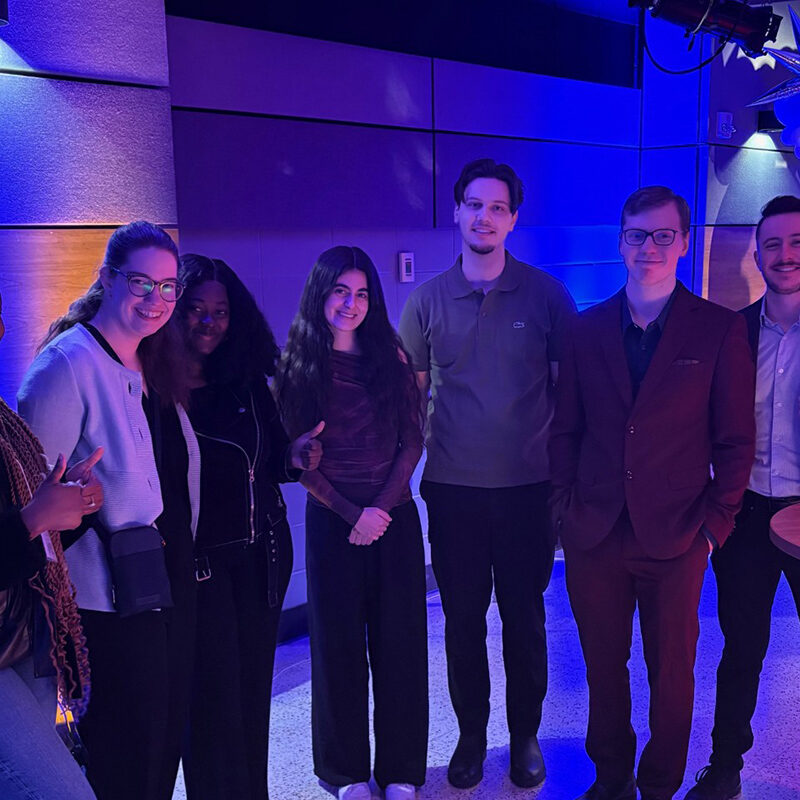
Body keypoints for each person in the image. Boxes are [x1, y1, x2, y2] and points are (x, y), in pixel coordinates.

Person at [549, 185, 755, 800]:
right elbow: (565, 430)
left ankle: (660, 785)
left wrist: (715, 527)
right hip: (596, 532)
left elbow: (735, 440)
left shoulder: (717, 330)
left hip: (679, 534)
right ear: (620, 243)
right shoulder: (585, 330)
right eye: (637, 235)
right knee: (603, 669)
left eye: (664, 235)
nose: (649, 247)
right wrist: (563, 511)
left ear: (684, 243)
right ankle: (611, 779)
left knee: (672, 676)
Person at [397, 158, 575, 790]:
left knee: (525, 618)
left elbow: (571, 396)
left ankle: (524, 735)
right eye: (474, 204)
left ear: (513, 218)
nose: (484, 217)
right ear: (456, 211)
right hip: (453, 492)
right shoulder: (425, 301)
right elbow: (408, 403)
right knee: (463, 620)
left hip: (528, 491)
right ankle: (472, 737)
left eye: (498, 207)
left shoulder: (548, 296)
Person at [17, 221, 201, 800]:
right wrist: (70, 502)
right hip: (99, 605)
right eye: (141, 283)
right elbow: (31, 505)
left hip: (149, 588)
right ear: (106, 279)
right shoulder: (65, 366)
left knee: (159, 750)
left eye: (169, 287)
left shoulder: (144, 362)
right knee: (126, 760)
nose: (157, 300)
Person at [275, 245, 427, 800]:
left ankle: (402, 772)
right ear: (321, 294)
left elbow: (413, 440)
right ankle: (343, 774)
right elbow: (298, 461)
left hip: (394, 521)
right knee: (336, 650)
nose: (351, 303)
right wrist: (351, 514)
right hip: (332, 524)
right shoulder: (296, 365)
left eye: (362, 293)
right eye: (341, 290)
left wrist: (380, 511)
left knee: (402, 646)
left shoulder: (391, 355)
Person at [176, 254, 323, 800]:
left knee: (250, 698)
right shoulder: (148, 388)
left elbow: (271, 459)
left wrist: (295, 457)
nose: (209, 322)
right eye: (195, 309)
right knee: (210, 705)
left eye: (220, 311)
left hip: (263, 554)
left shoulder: (243, 382)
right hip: (198, 566)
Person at [684, 195, 800, 799]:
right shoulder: (733, 334)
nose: (785, 254)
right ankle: (725, 765)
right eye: (774, 243)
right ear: (757, 254)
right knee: (743, 646)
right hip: (748, 513)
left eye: (797, 242)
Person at [0, 288, 100, 800]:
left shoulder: (2, 421)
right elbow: (24, 525)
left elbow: (36, 533)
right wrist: (35, 517)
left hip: (23, 628)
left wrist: (72, 507)